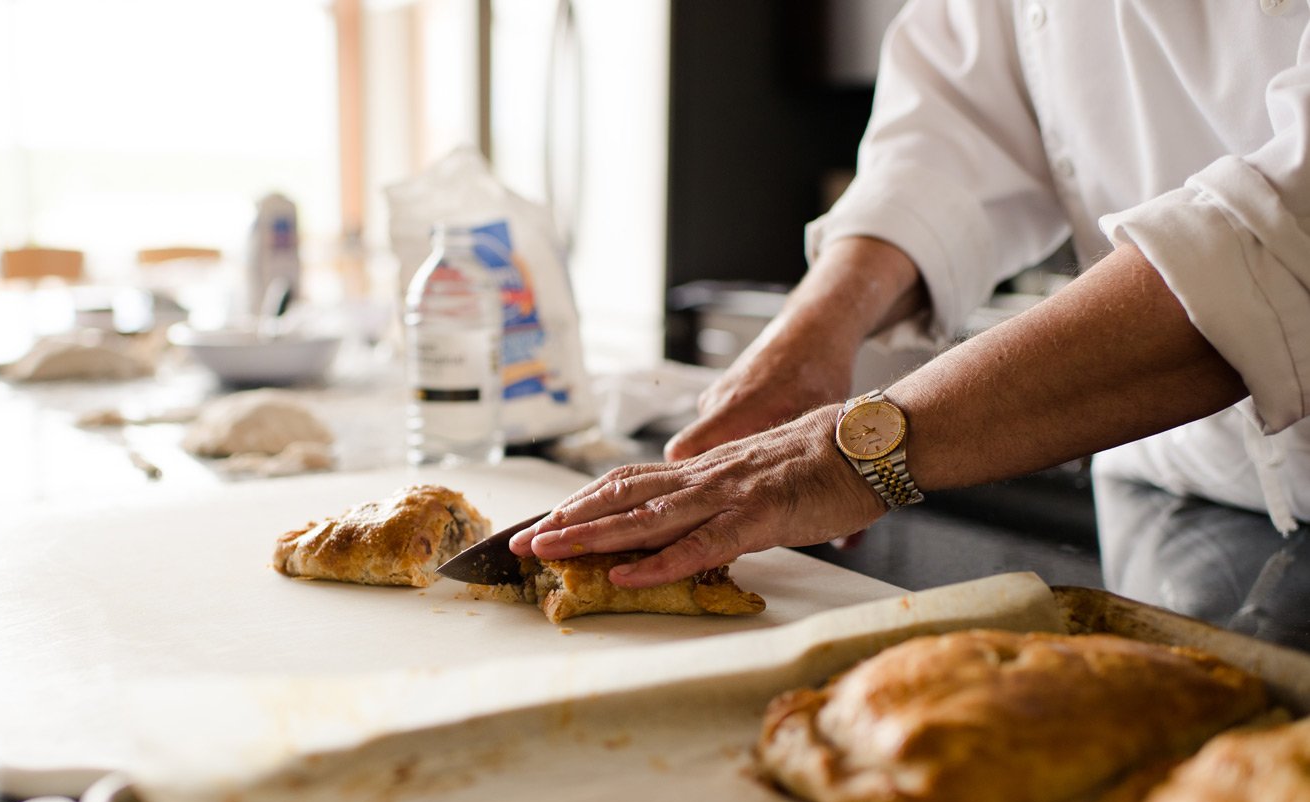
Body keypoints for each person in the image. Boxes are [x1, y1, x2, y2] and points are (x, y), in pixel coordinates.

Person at [512, 1, 1310, 587]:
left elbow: (1287, 237)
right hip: (1171, 485)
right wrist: (813, 331)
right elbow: (957, 124)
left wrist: (849, 454)